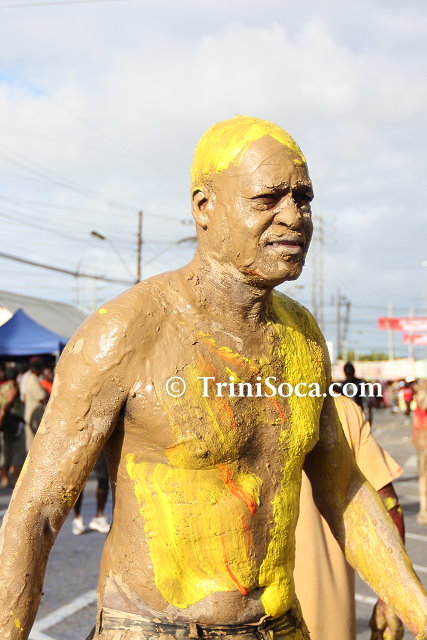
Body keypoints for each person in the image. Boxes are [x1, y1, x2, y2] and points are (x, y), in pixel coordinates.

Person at [0, 116, 427, 640]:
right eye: (268, 198)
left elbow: (342, 490)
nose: (294, 216)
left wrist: (418, 609)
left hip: (280, 625)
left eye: (304, 198)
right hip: (155, 628)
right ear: (204, 207)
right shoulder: (126, 331)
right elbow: (37, 511)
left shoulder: (302, 337)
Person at [295, 394, 404, 640]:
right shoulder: (339, 408)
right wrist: (391, 601)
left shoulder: (220, 405)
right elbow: (388, 505)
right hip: (331, 623)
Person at [72, 451, 111, 535]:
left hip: (100, 446)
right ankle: (77, 518)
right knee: (78, 481)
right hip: (79, 446)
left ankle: (99, 517)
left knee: (103, 478)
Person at [0, 366, 26, 488]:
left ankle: (5, 478)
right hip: (13, 422)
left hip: (6, 423)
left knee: (6, 451)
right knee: (17, 451)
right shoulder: (12, 387)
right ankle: (14, 478)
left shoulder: (2, 387)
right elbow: (7, 403)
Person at [23, 357, 47, 452]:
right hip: (34, 418)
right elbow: (42, 398)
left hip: (34, 416)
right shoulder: (33, 380)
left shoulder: (32, 379)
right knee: (33, 447)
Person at [412, 380, 427, 525]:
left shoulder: (422, 389)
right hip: (422, 439)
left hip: (423, 439)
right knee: (423, 476)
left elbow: (423, 404)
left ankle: (424, 511)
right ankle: (423, 510)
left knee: (423, 477)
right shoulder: (422, 388)